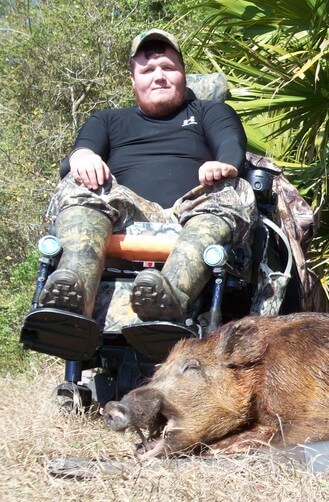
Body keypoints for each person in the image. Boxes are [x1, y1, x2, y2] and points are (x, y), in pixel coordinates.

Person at [38, 28, 257, 323]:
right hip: (124, 217)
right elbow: (80, 152)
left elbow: (231, 144)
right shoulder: (107, 120)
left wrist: (223, 165)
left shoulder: (209, 111)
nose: (159, 76)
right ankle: (73, 300)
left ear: (183, 74)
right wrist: (83, 157)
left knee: (233, 187)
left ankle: (170, 297)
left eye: (168, 67)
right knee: (75, 182)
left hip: (194, 214)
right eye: (148, 70)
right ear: (133, 79)